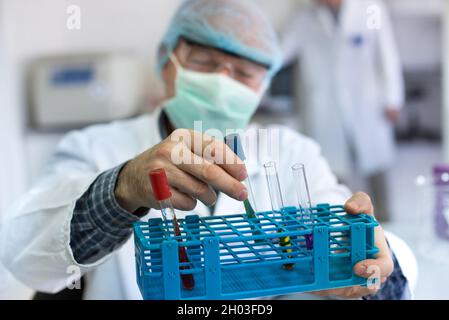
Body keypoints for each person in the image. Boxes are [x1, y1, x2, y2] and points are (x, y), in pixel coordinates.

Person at [0, 0, 410, 299]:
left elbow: (354, 241)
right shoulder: (95, 146)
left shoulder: (291, 153)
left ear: (262, 86)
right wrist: (122, 189)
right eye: (205, 62)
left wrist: (370, 270)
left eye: (244, 72)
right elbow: (25, 255)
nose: (222, 81)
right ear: (167, 61)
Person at [281, 0, 405, 221]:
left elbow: (387, 54)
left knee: (376, 166)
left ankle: (387, 222)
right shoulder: (304, 17)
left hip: (367, 101)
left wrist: (393, 98)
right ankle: (345, 226)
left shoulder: (370, 9)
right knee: (333, 171)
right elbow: (280, 52)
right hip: (326, 105)